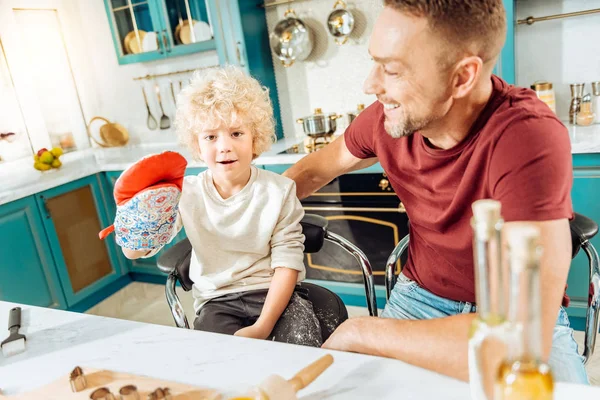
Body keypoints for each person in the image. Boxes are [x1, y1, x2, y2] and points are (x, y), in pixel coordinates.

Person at [283, 0, 588, 386]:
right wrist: (251, 219)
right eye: (375, 63)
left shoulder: (527, 137)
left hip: (516, 316)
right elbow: (311, 171)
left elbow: (517, 339)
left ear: (462, 77)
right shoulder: (386, 118)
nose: (370, 85)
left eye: (392, 70)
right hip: (419, 297)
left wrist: (363, 331)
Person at [122, 66, 323, 347]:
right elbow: (135, 251)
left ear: (256, 137)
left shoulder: (279, 191)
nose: (225, 146)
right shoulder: (185, 193)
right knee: (218, 363)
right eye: (211, 136)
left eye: (237, 133)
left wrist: (263, 326)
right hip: (217, 300)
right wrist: (140, 217)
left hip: (274, 293)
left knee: (299, 351)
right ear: (197, 145)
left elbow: (287, 264)